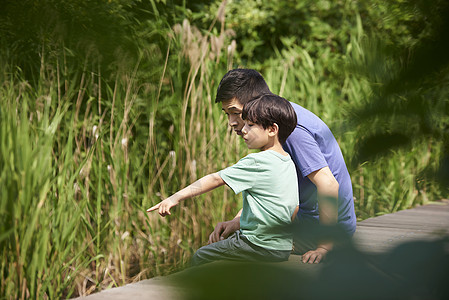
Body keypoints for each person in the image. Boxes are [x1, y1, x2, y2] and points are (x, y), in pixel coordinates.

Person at [211, 68, 356, 264]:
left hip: (324, 229)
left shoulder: (292, 129)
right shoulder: (273, 120)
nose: (231, 122)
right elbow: (266, 190)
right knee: (231, 243)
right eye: (227, 114)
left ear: (254, 102)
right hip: (306, 219)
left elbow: (328, 184)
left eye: (235, 113)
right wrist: (237, 221)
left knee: (229, 252)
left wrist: (324, 246)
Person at [147, 94, 299, 266]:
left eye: (250, 125)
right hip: (281, 248)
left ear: (272, 129)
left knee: (201, 256)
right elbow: (294, 208)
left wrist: (174, 197)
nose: (244, 130)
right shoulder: (288, 162)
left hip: (257, 245)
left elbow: (215, 179)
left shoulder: (257, 161)